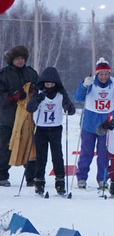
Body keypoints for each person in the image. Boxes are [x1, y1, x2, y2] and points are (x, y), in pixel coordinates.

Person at [72, 58, 114, 191]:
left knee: (104, 153)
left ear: (109, 73)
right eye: (101, 74)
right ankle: (81, 177)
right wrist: (83, 86)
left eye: (106, 74)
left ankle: (103, 179)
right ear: (97, 74)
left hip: (107, 123)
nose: (104, 77)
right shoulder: (90, 83)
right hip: (89, 122)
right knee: (86, 152)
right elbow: (78, 97)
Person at [26, 66, 75, 196]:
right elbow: (29, 109)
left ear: (56, 84)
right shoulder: (38, 92)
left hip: (55, 129)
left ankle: (60, 181)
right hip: (41, 129)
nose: (49, 86)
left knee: (57, 156)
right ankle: (39, 181)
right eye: (47, 84)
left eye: (51, 84)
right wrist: (37, 99)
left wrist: (67, 106)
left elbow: (71, 110)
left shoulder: (60, 94)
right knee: (41, 157)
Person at [1, 44, 38, 187]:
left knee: (30, 146)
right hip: (8, 118)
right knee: (5, 147)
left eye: (22, 58)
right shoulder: (4, 74)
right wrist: (11, 97)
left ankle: (31, 177)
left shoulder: (31, 73)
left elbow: (40, 88)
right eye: (17, 58)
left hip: (28, 118)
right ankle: (2, 175)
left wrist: (34, 93)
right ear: (12, 60)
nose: (20, 61)